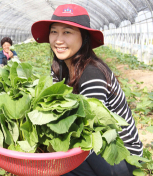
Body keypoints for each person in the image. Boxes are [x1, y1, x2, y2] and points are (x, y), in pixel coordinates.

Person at [31, 4, 143, 176]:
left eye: (67, 32)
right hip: (94, 149)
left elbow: (88, 131)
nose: (58, 40)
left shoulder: (92, 74)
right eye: (54, 32)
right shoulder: (61, 68)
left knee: (55, 168)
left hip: (120, 155)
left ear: (84, 37)